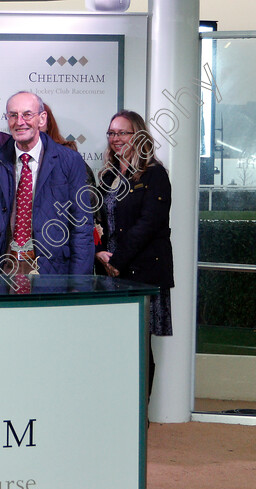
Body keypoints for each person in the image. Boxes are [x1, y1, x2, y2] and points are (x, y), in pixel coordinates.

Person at [96, 110, 174, 397]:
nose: (116, 139)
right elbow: (96, 222)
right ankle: (118, 408)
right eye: (112, 133)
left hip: (143, 274)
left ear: (138, 136)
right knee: (115, 345)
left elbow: (148, 225)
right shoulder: (107, 176)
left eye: (123, 133)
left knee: (140, 347)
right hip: (111, 273)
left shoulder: (155, 174)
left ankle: (141, 415)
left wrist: (117, 261)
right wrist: (100, 252)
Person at [0, 91, 93, 276]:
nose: (19, 121)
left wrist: (78, 284)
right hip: (1, 270)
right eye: (13, 115)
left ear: (42, 118)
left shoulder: (69, 161)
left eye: (27, 114)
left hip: (51, 271)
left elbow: (82, 227)